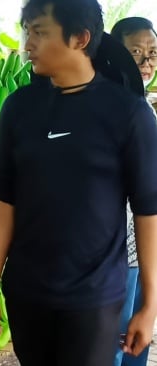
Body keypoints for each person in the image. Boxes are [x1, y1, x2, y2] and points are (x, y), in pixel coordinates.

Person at [0, 0, 157, 365]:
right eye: (27, 32)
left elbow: (148, 208)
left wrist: (150, 302)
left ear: (80, 38)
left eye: (40, 32)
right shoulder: (18, 109)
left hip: (94, 297)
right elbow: (2, 200)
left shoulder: (129, 113)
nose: (28, 44)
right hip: (27, 292)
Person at [110, 16, 157, 366]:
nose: (146, 62)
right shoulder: (116, 107)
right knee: (117, 343)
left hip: (144, 250)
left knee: (136, 343)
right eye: (136, 52)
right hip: (119, 251)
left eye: (153, 52)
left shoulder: (144, 106)